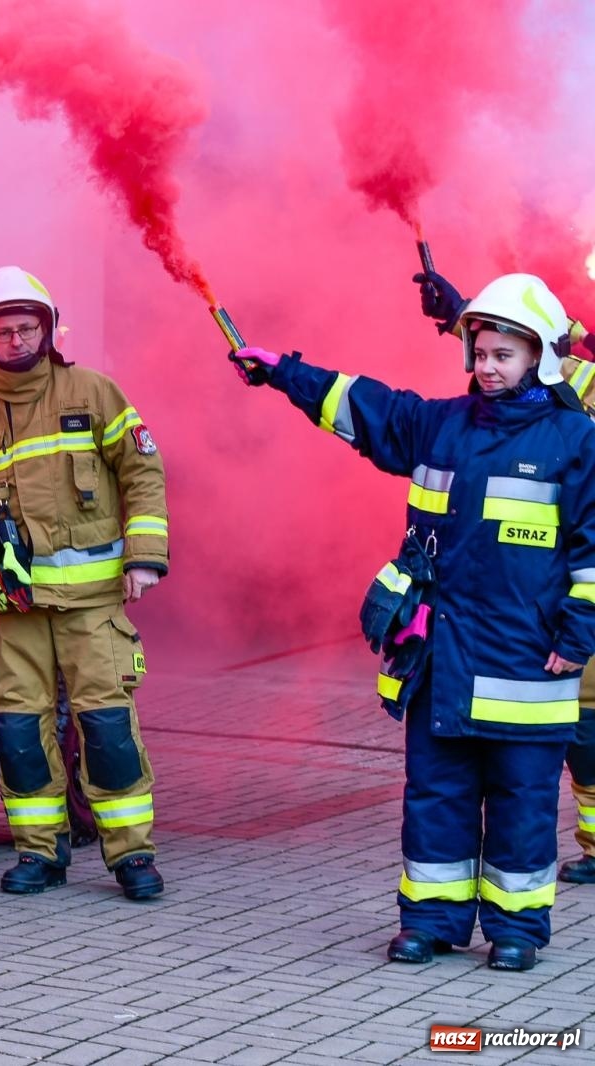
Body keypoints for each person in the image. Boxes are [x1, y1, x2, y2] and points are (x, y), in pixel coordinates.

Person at [234, 273, 595, 972]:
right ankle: (429, 922)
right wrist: (284, 373)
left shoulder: (576, 439)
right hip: (442, 660)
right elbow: (368, 407)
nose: (488, 367)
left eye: (504, 355)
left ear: (541, 358)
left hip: (529, 661)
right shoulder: (441, 424)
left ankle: (517, 931)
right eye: (480, 353)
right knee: (435, 796)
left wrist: (579, 636)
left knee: (522, 802)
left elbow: (594, 547)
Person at [0, 265, 168, 899]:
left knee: (107, 728)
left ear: (49, 329)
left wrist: (144, 556)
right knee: (19, 734)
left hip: (92, 606)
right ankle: (39, 853)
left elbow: (143, 471)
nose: (16, 340)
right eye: (3, 331)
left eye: (27, 328)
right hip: (13, 610)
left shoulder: (94, 392)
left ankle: (132, 857)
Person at [415, 268, 595, 885]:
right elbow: (550, 364)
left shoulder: (573, 428)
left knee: (579, 723)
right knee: (583, 724)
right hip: (568, 576)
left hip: (581, 569)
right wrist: (463, 316)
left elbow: (560, 372)